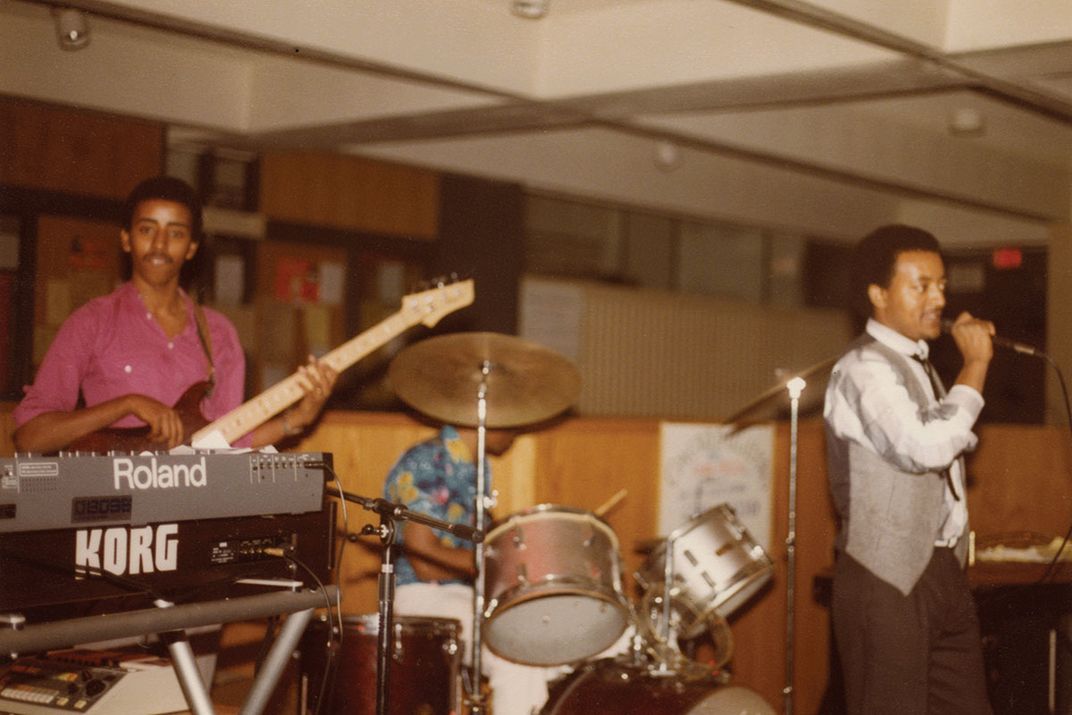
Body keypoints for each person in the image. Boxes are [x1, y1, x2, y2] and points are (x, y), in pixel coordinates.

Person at [13, 175, 336, 453]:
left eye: (176, 233)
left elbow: (226, 440)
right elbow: (31, 437)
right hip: (112, 512)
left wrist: (299, 418)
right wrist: (127, 403)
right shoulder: (91, 322)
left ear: (192, 247)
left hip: (189, 508)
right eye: (147, 229)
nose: (160, 245)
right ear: (126, 239)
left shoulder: (218, 332)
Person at [823, 224, 996, 715]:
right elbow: (922, 446)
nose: (938, 297)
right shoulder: (863, 368)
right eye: (921, 285)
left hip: (941, 573)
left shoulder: (919, 364)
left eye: (941, 284)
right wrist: (976, 367)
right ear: (877, 294)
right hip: (887, 578)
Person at [384, 423, 562, 715]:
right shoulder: (427, 461)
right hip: (421, 594)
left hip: (463, 593)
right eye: (514, 417)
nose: (518, 427)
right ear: (487, 415)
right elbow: (424, 561)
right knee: (515, 652)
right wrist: (496, 563)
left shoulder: (477, 467)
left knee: (550, 643)